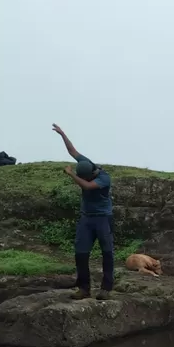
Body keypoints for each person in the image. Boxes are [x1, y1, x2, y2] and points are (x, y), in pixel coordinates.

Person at [52, 123, 114, 300]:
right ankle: (84, 288)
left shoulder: (103, 178)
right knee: (81, 252)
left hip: (103, 218)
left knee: (107, 252)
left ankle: (106, 289)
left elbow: (87, 186)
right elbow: (73, 151)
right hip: (86, 219)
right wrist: (63, 134)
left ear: (91, 174)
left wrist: (71, 174)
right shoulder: (86, 163)